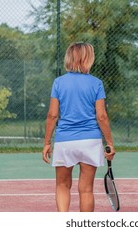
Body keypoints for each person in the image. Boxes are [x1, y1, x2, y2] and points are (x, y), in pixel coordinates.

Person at [42, 42, 115, 212]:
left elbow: (52, 115)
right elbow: (102, 116)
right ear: (88, 58)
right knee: (86, 189)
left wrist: (47, 143)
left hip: (64, 141)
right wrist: (110, 142)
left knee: (62, 185)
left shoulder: (58, 82)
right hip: (90, 141)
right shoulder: (96, 83)